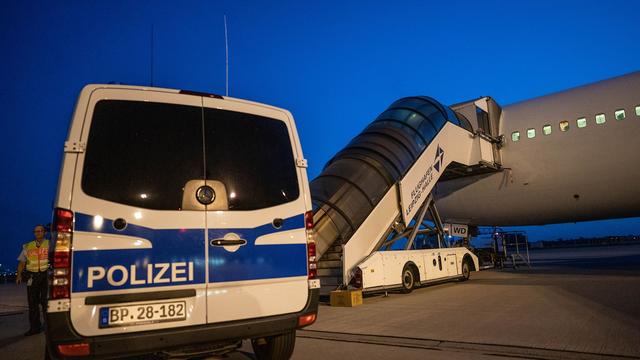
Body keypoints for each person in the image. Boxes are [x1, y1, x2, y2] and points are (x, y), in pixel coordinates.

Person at [16, 224, 50, 336]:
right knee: (32, 303)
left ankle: (48, 326)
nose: (38, 233)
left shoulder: (50, 244)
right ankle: (35, 328)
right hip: (32, 277)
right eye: (36, 231)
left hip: (46, 276)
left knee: (46, 302)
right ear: (34, 233)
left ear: (44, 232)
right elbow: (22, 262)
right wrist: (19, 275)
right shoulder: (28, 246)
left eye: (40, 231)